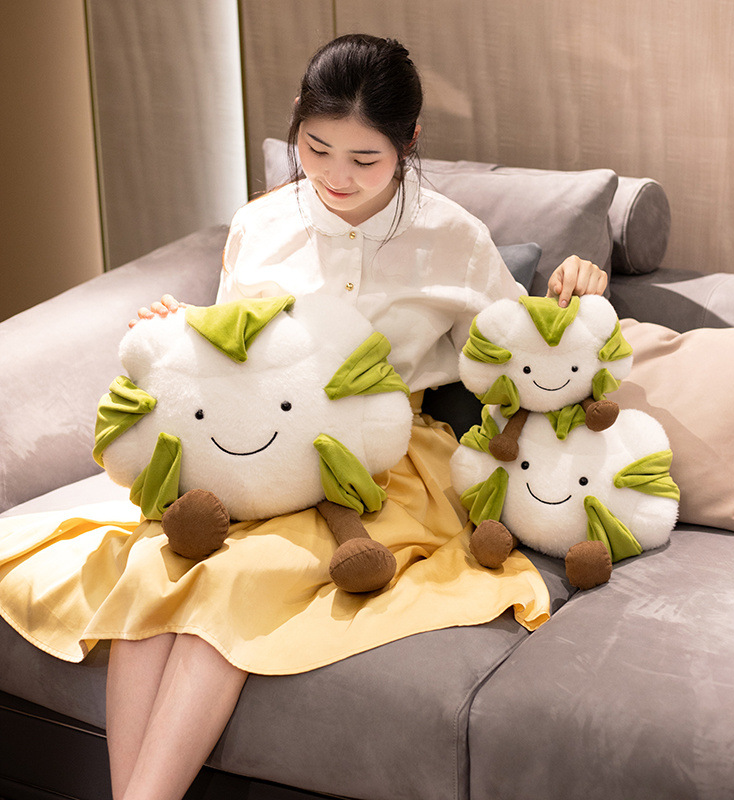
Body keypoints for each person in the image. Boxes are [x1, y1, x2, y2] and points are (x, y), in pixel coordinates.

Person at [1, 34, 607, 800]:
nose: (336, 177)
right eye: (317, 149)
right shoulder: (260, 224)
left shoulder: (452, 237)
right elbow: (234, 351)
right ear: (296, 121)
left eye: (365, 159)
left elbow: (516, 357)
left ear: (409, 143)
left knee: (233, 584)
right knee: (158, 576)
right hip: (249, 449)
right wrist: (181, 329)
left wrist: (575, 292)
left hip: (379, 462)